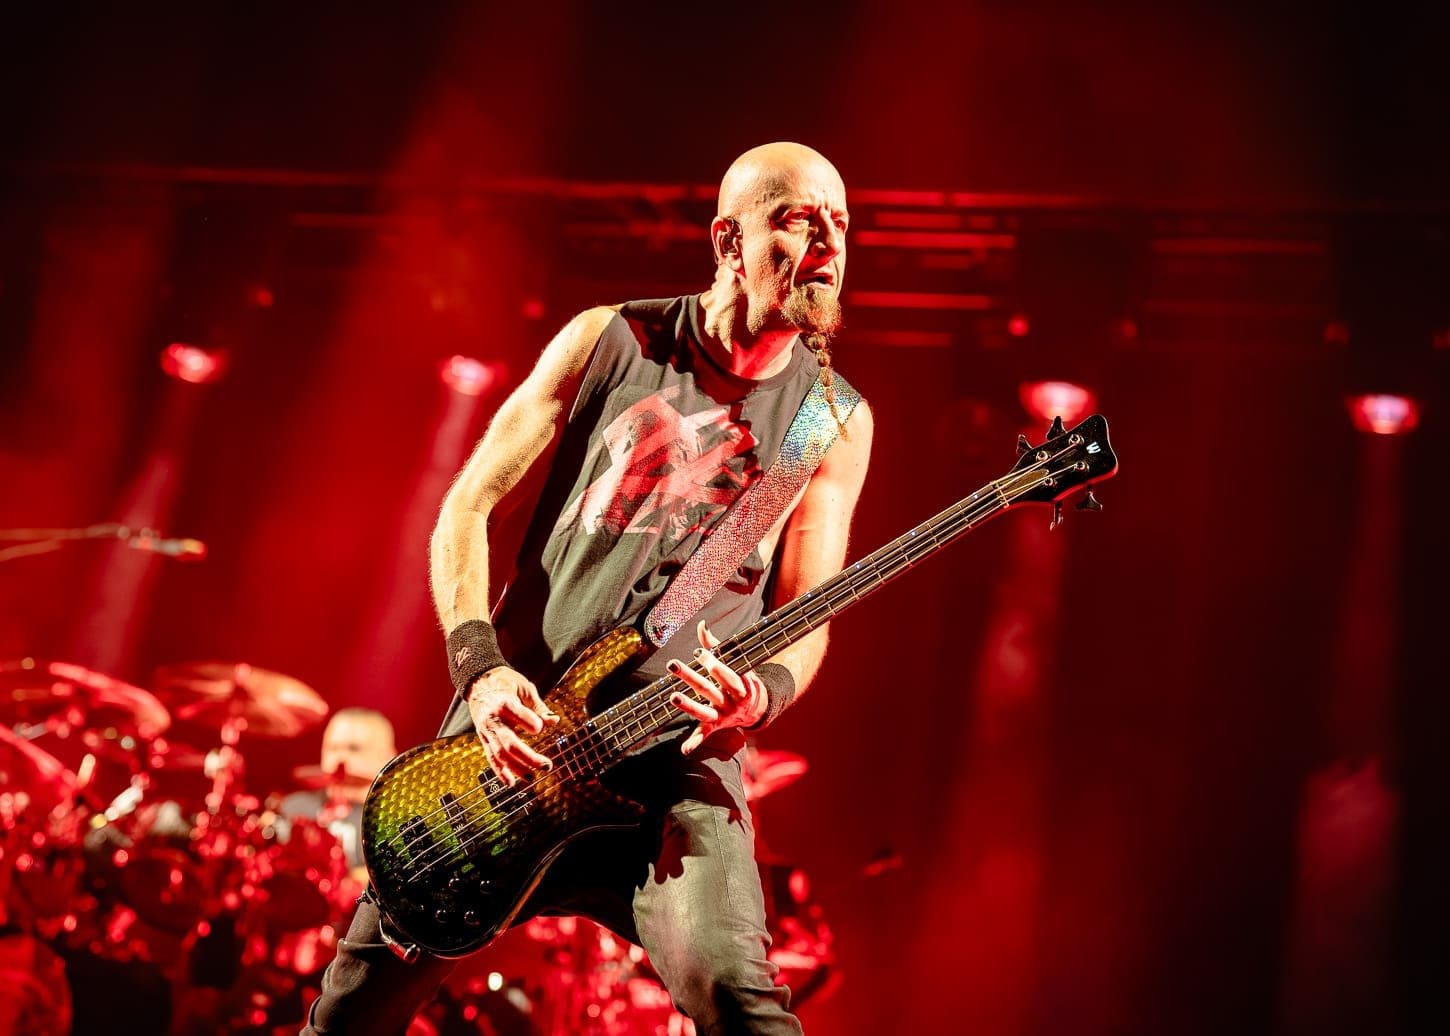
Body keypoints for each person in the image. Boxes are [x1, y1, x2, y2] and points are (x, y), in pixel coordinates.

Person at [304, 141, 873, 1035]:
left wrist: (759, 697)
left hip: (671, 767)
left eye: (841, 225)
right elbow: (468, 506)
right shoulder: (611, 339)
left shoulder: (826, 418)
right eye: (800, 220)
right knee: (351, 1014)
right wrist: (480, 669)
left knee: (738, 999)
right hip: (514, 745)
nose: (829, 246)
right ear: (728, 241)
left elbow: (809, 609)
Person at [279, 707, 398, 874]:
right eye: (333, 748)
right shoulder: (294, 810)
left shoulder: (398, 822)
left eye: (354, 748)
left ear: (388, 757)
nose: (340, 758)